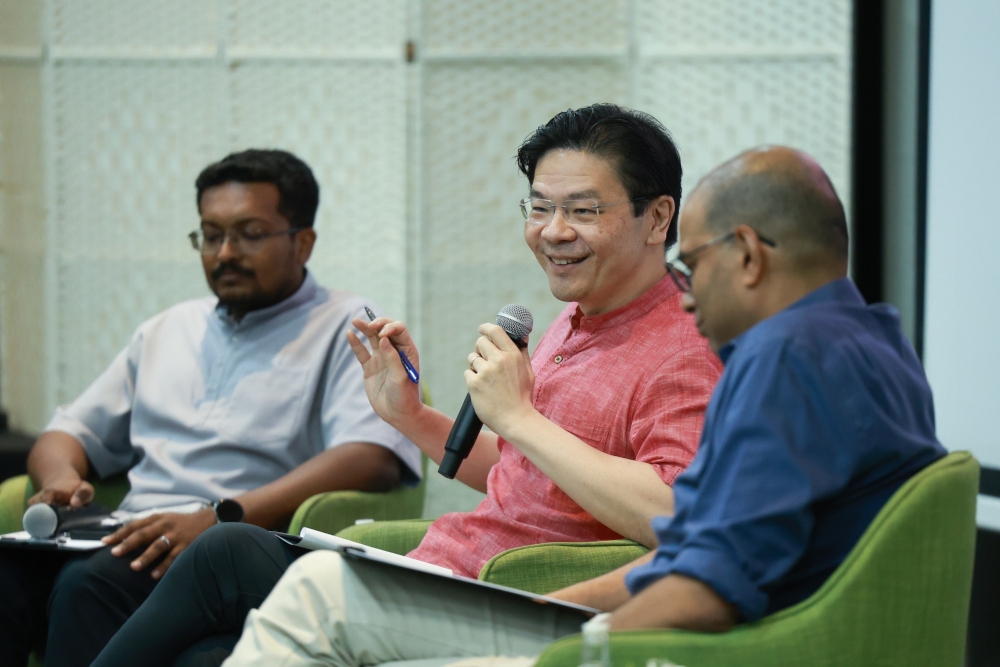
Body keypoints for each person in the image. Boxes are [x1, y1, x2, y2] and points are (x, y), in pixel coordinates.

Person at [197, 145, 945, 665]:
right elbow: (696, 545)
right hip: (640, 605)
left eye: (693, 260)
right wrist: (543, 600)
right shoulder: (874, 340)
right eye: (540, 208)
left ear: (747, 253)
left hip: (702, 644)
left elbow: (710, 579)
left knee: (320, 596)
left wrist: (565, 639)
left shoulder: (776, 356)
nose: (690, 287)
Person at [92, 104, 722, 666]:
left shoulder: (684, 348)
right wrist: (410, 413)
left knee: (227, 554)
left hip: (515, 594)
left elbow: (672, 512)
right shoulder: (581, 314)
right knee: (201, 647)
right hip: (448, 569)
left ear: (657, 217)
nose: (553, 231)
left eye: (583, 210)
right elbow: (523, 472)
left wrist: (521, 417)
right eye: (540, 207)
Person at [0, 149, 422, 667]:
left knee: (89, 587)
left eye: (249, 234)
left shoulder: (347, 327)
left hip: (232, 550)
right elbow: (68, 431)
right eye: (211, 234)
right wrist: (62, 477)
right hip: (128, 534)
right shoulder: (166, 329)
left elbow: (372, 455)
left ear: (303, 242)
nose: (225, 253)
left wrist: (219, 516)